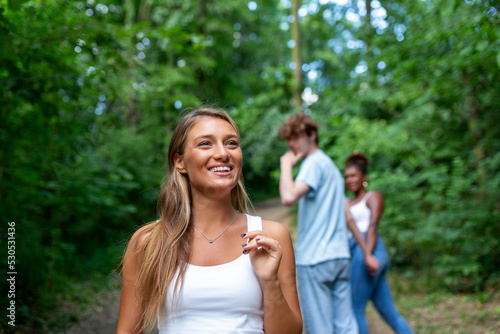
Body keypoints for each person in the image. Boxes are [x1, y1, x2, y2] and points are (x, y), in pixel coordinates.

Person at [117, 107, 302, 334]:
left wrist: (270, 282)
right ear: (180, 162)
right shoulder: (148, 242)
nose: (223, 153)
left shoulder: (271, 236)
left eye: (231, 143)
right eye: (206, 143)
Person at [278, 113, 377, 334]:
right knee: (346, 326)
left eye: (296, 137)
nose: (291, 144)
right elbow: (348, 216)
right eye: (289, 139)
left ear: (312, 135)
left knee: (320, 329)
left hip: (315, 259)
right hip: (339, 258)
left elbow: (288, 197)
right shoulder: (331, 168)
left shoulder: (313, 163)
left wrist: (285, 165)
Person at [344, 152, 413, 334]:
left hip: (368, 248)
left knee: (355, 309)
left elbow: (373, 226)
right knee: (389, 312)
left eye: (353, 175)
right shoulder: (347, 202)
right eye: (346, 177)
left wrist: (367, 254)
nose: (349, 180)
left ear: (364, 178)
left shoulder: (373, 196)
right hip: (359, 251)